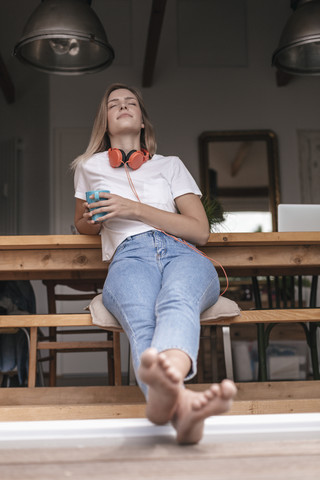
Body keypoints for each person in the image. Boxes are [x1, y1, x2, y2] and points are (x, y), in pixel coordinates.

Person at [72, 83, 237, 444]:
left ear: (143, 120)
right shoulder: (88, 167)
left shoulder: (171, 166)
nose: (123, 106)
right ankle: (183, 405)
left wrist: (133, 208)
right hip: (129, 254)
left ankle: (168, 395)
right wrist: (94, 218)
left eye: (131, 102)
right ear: (106, 122)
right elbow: (82, 223)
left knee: (175, 298)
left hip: (181, 252)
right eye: (114, 104)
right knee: (143, 317)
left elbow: (200, 231)